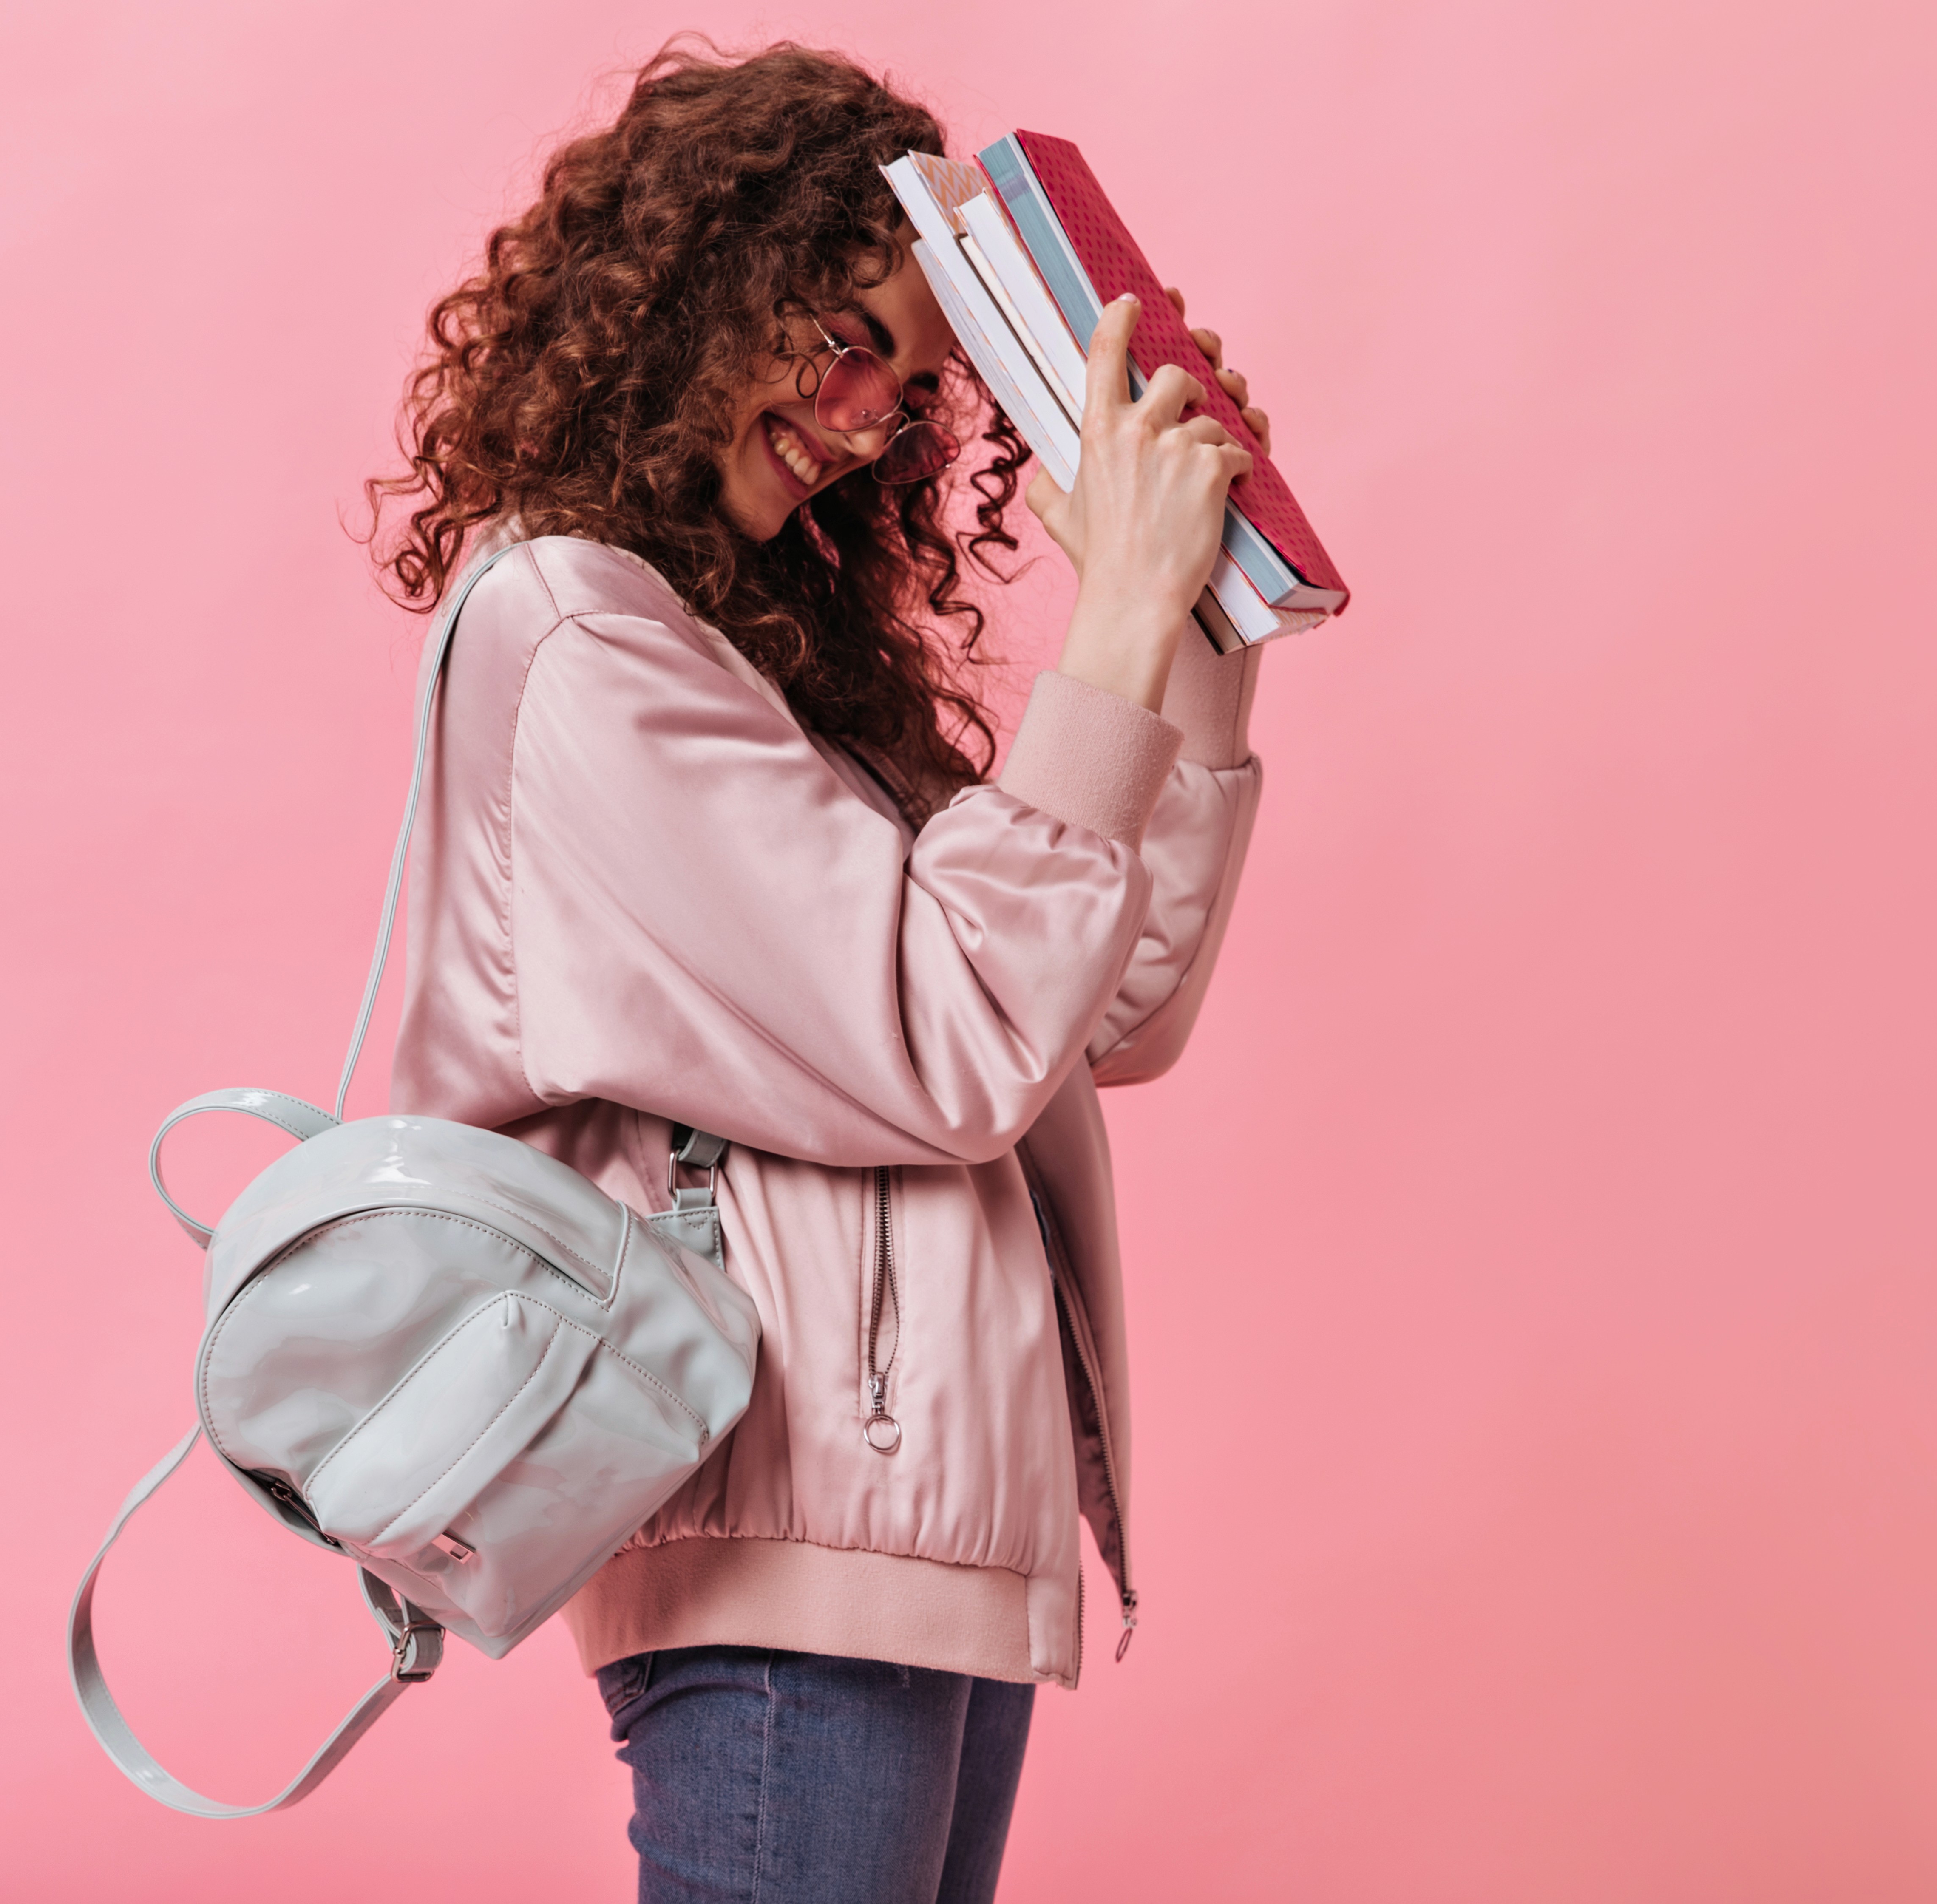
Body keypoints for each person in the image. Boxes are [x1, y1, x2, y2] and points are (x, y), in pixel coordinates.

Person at [372, 40, 1270, 1904]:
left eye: (915, 386)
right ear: (702, 289)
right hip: (797, 1543)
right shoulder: (577, 635)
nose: (867, 419)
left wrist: (1191, 624)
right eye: (843, 338)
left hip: (934, 1535)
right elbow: (956, 1035)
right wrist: (1108, 619)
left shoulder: (775, 670)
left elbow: (1096, 1009)